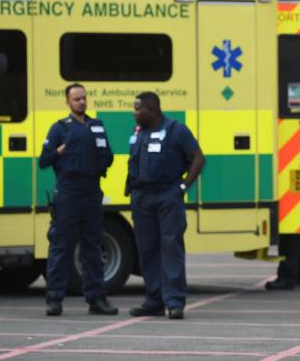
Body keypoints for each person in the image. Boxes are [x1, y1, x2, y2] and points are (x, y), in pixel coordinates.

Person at [125, 92, 205, 320]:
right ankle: (154, 301)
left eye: (138, 109)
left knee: (171, 248)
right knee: (147, 249)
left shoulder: (176, 130)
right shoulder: (138, 131)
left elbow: (198, 158)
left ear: (152, 109)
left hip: (167, 195)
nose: (134, 113)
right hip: (142, 196)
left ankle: (175, 302)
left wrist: (182, 187)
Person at [39, 82, 116, 317]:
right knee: (60, 247)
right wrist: (59, 152)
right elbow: (43, 161)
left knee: (92, 247)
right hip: (68, 192)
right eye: (76, 99)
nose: (81, 102)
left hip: (91, 190)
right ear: (68, 102)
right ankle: (54, 299)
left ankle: (96, 299)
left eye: (83, 98)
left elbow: (108, 157)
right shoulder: (59, 128)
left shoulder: (97, 126)